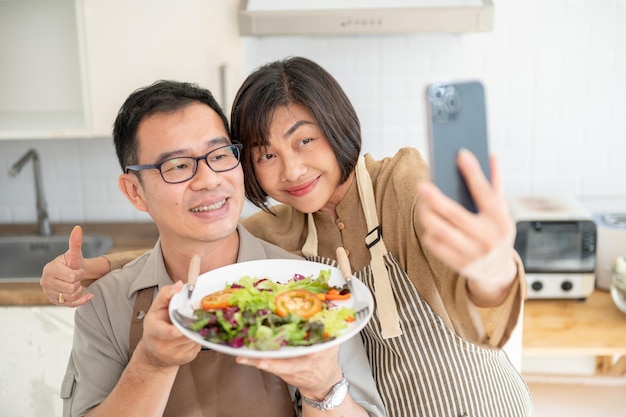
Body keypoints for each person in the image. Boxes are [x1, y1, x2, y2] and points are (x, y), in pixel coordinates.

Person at [42, 58, 533, 416]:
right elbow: (201, 240)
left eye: (304, 139)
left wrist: (492, 268)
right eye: (265, 153)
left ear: (337, 126)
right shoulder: (287, 229)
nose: (292, 169)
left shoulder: (402, 185)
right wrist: (105, 270)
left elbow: (478, 300)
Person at [54, 80, 385, 417]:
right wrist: (151, 364)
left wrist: (324, 388)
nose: (209, 180)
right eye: (178, 166)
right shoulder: (106, 306)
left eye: (220, 155)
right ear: (135, 192)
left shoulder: (311, 288)